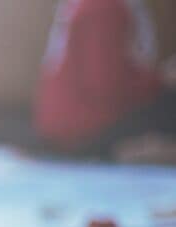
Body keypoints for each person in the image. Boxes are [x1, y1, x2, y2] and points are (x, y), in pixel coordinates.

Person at [34, 0, 176, 162]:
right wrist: (161, 79)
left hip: (69, 125)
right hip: (85, 128)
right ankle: (142, 148)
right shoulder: (104, 7)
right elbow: (106, 88)